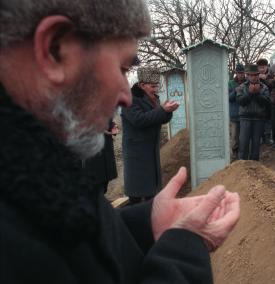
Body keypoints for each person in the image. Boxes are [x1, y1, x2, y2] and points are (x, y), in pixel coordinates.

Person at [0, 1, 240, 283]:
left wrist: (146, 223)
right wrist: (186, 247)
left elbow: (74, 242)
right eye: (122, 68)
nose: (125, 95)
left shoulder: (30, 162)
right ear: (55, 49)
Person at [121, 67, 178, 205]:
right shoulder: (129, 99)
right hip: (137, 154)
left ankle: (148, 220)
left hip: (150, 151)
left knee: (151, 192)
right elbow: (139, 120)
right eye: (153, 86)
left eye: (157, 86)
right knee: (136, 193)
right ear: (142, 85)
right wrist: (162, 110)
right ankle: (132, 221)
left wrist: (168, 111)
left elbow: (158, 118)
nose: (156, 89)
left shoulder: (153, 99)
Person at [236, 64, 271, 160]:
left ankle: (255, 166)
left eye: (255, 75)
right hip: (245, 118)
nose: (253, 77)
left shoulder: (264, 87)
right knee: (243, 143)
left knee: (256, 144)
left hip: (259, 119)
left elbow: (266, 103)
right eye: (251, 75)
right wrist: (250, 94)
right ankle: (242, 165)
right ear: (247, 75)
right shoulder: (241, 87)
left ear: (258, 75)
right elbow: (240, 102)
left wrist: (257, 93)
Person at [82, 119, 118, 193]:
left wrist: (113, 127)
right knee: (97, 179)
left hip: (105, 145)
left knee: (105, 180)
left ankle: (101, 198)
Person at [229, 63, 246, 159]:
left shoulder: (247, 82)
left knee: (243, 136)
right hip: (234, 114)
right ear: (236, 73)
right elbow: (229, 98)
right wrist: (235, 91)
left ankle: (243, 154)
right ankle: (234, 154)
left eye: (242, 73)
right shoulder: (230, 83)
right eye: (239, 73)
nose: (241, 75)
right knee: (234, 137)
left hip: (245, 114)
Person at [257, 58, 273, 145]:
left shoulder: (271, 74)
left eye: (263, 67)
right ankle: (260, 137)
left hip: (269, 101)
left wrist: (265, 79)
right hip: (258, 101)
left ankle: (267, 137)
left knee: (268, 120)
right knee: (259, 120)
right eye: (260, 67)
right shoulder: (255, 76)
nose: (262, 69)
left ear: (267, 67)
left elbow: (272, 85)